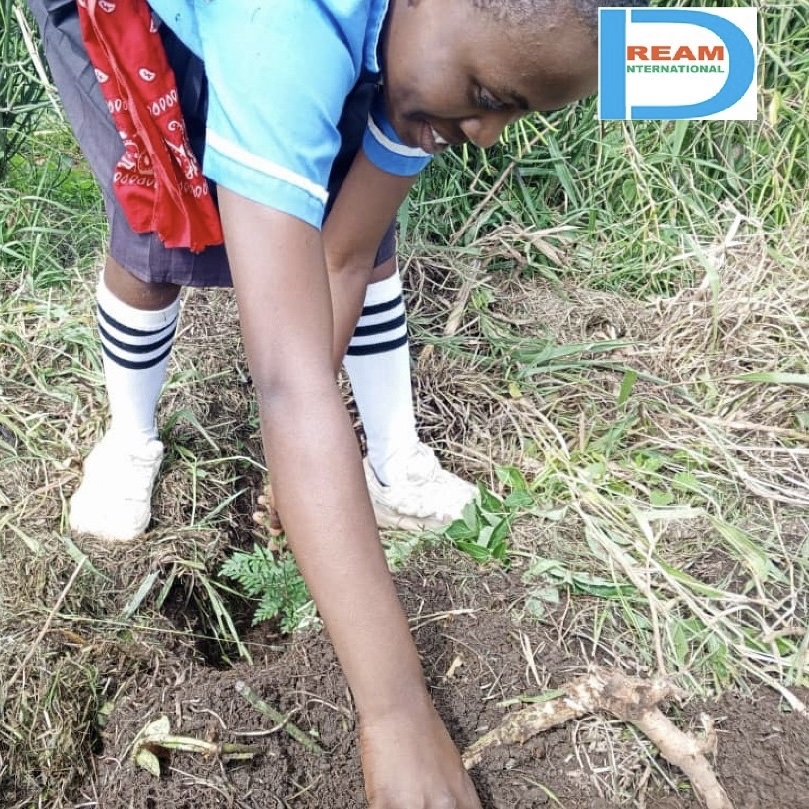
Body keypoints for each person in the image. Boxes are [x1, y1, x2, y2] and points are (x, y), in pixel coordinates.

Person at [29, 0, 645, 805]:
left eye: (514, 113)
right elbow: (287, 380)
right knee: (157, 244)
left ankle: (394, 467)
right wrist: (396, 717)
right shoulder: (284, 33)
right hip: (135, 23)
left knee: (360, 224)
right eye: (492, 96)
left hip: (358, 45)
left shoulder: (431, 64)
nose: (488, 134)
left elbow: (346, 253)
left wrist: (298, 471)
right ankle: (129, 438)